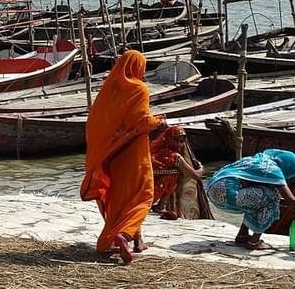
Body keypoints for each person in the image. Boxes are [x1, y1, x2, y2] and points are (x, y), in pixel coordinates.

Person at [80, 50, 165, 264]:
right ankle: (124, 234)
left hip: (114, 155)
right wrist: (160, 122)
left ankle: (137, 241)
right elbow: (142, 122)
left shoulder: (109, 89)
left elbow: (96, 122)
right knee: (144, 195)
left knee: (122, 197)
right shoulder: (140, 88)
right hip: (135, 152)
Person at [206, 149, 295, 250]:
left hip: (213, 190)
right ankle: (254, 241)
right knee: (273, 195)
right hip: (226, 193)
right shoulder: (273, 170)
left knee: (259, 198)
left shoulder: (259, 160)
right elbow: (291, 200)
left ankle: (242, 236)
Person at [149, 126, 204, 220]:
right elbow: (195, 175)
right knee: (173, 175)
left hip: (146, 194)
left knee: (171, 173)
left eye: (181, 141)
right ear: (169, 139)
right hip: (152, 194)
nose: (179, 144)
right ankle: (160, 206)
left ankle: (160, 206)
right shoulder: (175, 157)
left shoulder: (154, 152)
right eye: (176, 140)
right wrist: (201, 168)